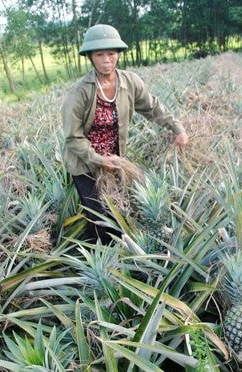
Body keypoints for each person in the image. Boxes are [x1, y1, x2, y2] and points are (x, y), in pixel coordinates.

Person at [61, 24, 188, 244]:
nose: (106, 59)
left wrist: (177, 128)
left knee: (119, 207)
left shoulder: (130, 82)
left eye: (111, 53)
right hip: (85, 163)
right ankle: (102, 253)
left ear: (118, 55)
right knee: (98, 216)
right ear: (90, 57)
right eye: (99, 54)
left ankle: (124, 252)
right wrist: (99, 159)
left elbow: (152, 107)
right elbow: (73, 138)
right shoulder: (79, 93)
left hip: (116, 159)